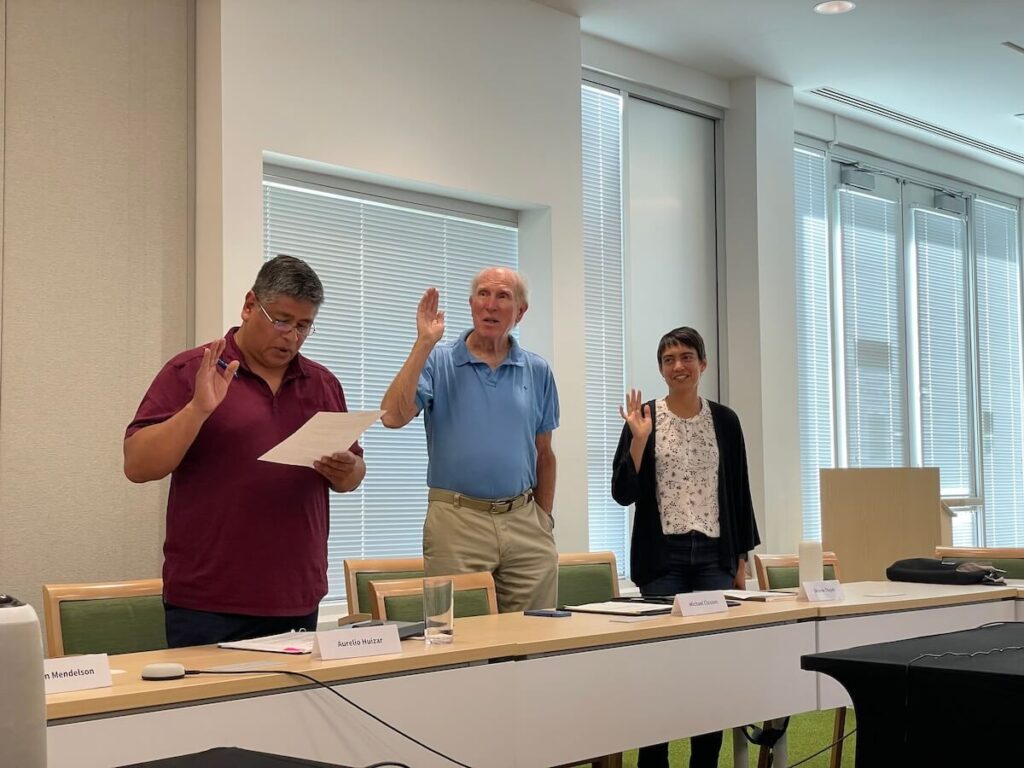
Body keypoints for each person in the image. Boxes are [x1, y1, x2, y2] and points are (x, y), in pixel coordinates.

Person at [124, 255, 366, 648]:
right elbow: (137, 465)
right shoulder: (192, 371)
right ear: (250, 305)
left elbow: (354, 477)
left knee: (289, 711)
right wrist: (198, 410)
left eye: (304, 326)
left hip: (295, 595)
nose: (291, 336)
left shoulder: (322, 384)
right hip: (208, 602)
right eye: (282, 320)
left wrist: (348, 469)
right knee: (209, 711)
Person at [612, 326, 760, 768]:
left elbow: (738, 493)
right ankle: (652, 760)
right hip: (664, 560)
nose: (678, 366)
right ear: (661, 369)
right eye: (669, 359)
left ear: (703, 364)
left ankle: (704, 761)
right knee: (661, 670)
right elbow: (622, 492)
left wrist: (740, 561)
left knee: (707, 670)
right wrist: (637, 441)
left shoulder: (726, 421)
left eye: (686, 357)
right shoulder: (644, 417)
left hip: (713, 558)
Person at [380, 267, 559, 612]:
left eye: (503, 296)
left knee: (534, 638)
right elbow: (392, 416)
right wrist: (423, 344)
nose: (490, 305)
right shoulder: (438, 360)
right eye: (483, 295)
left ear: (520, 312)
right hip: (457, 521)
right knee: (459, 640)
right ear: (471, 304)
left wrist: (543, 520)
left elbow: (544, 454)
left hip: (524, 520)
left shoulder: (537, 370)